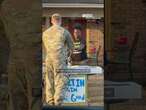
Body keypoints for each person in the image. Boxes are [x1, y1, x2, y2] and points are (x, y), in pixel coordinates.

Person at [43, 13, 74, 105]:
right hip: (60, 59)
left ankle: (49, 100)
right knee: (60, 79)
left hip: (48, 58)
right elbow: (71, 47)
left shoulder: (45, 33)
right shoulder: (64, 32)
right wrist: (67, 55)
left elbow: (45, 47)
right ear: (60, 21)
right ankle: (58, 102)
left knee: (49, 79)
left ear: (52, 21)